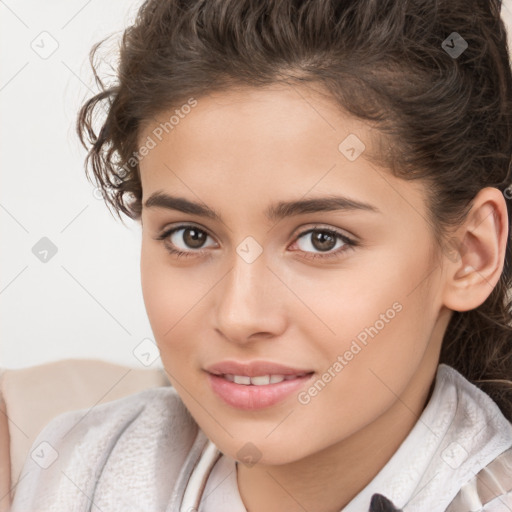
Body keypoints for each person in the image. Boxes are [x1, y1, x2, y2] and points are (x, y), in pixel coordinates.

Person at [8, 0, 512, 510]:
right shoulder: (72, 472)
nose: (239, 316)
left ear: (470, 253)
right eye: (191, 236)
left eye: (322, 240)